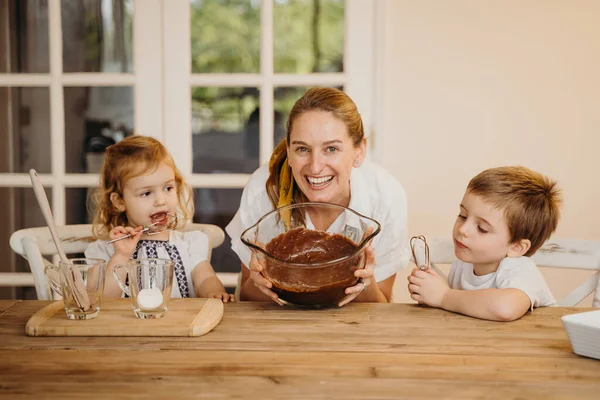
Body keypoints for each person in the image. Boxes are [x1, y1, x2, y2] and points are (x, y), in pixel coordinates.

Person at [226, 87, 409, 306]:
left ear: (359, 150)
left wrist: (366, 283)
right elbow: (247, 298)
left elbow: (380, 305)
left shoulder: (385, 196)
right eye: (303, 149)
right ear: (290, 151)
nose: (315, 167)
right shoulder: (263, 189)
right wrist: (259, 282)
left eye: (331, 149)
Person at [85, 135, 234, 302]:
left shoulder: (189, 244)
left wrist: (213, 293)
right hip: (128, 327)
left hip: (182, 326)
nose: (161, 200)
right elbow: (102, 301)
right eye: (146, 193)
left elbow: (206, 280)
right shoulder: (105, 251)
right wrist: (121, 256)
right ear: (119, 201)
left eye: (168, 188)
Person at [408, 166, 560, 321]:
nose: (463, 230)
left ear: (516, 247)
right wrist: (428, 291)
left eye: (482, 228)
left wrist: (444, 296)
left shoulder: (520, 270)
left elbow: (504, 308)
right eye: (463, 216)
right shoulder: (464, 262)